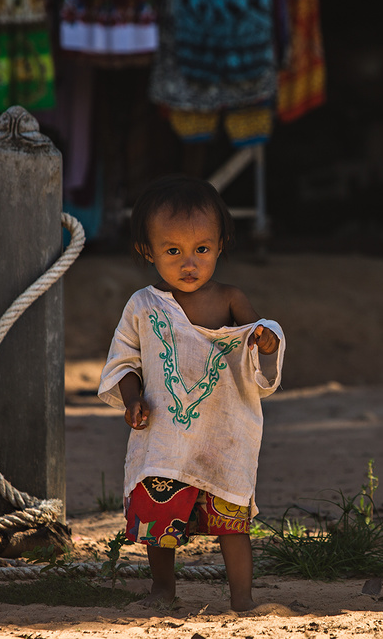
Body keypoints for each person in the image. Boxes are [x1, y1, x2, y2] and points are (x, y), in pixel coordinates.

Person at [98, 175, 284, 611]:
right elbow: (124, 362)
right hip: (164, 437)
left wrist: (266, 340)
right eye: (173, 251)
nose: (189, 263)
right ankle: (162, 591)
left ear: (220, 245)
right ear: (148, 251)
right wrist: (132, 399)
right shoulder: (143, 306)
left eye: (202, 249)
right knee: (158, 522)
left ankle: (243, 599)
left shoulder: (232, 298)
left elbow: (263, 332)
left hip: (224, 437)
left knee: (231, 525)